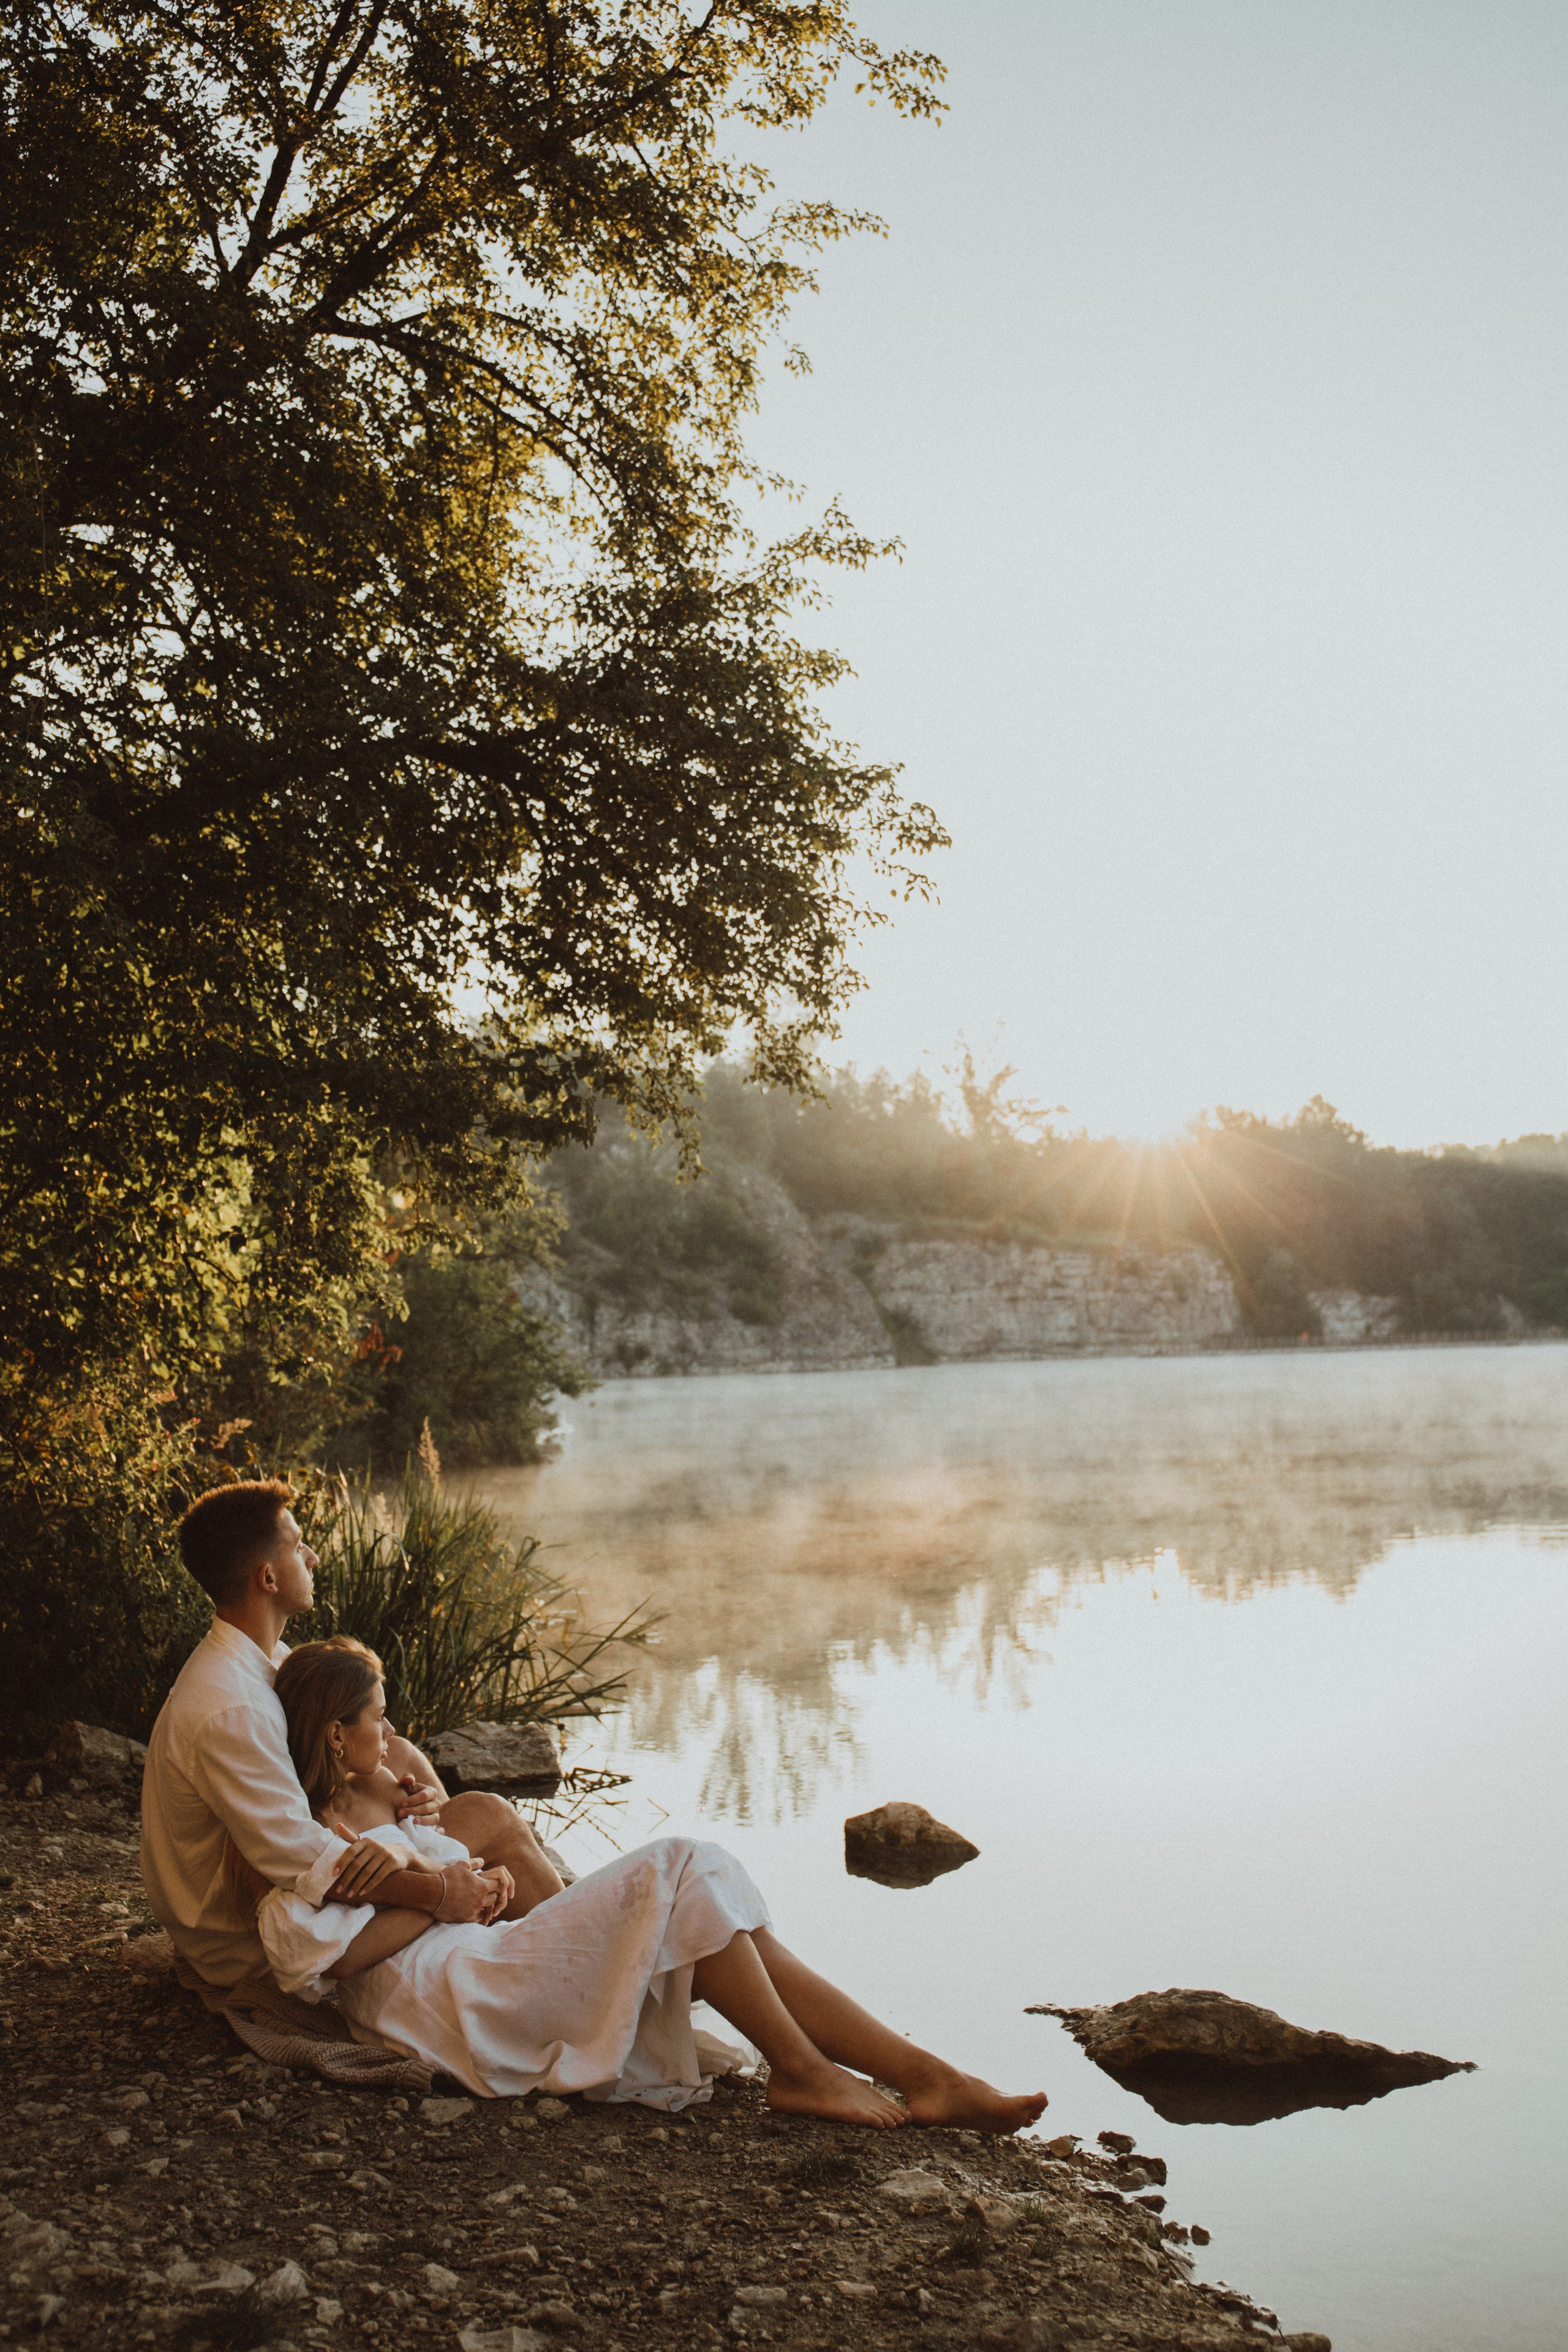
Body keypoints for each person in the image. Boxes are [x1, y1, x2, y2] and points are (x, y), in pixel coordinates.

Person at [254, 1634, 1050, 2130]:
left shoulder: (386, 1820)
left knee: (705, 1902)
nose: (393, 1735)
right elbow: (328, 1965)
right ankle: (820, 2072)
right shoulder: (312, 1858)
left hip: (487, 1969)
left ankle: (922, 2077)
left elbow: (450, 1874)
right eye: (379, 1720)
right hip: (467, 2006)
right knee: (681, 1864)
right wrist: (444, 1897)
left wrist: (453, 1874)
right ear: (335, 1734)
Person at [140, 1480, 557, 1988]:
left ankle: (488, 1890)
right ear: (268, 1578)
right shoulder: (231, 1708)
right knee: (489, 1818)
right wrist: (439, 1892)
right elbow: (306, 1863)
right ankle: (564, 1941)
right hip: (242, 1936)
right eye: (298, 1546)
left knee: (398, 1753)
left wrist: (413, 1808)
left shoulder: (263, 1660)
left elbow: (331, 1764)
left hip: (279, 1883)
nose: (312, 1557)